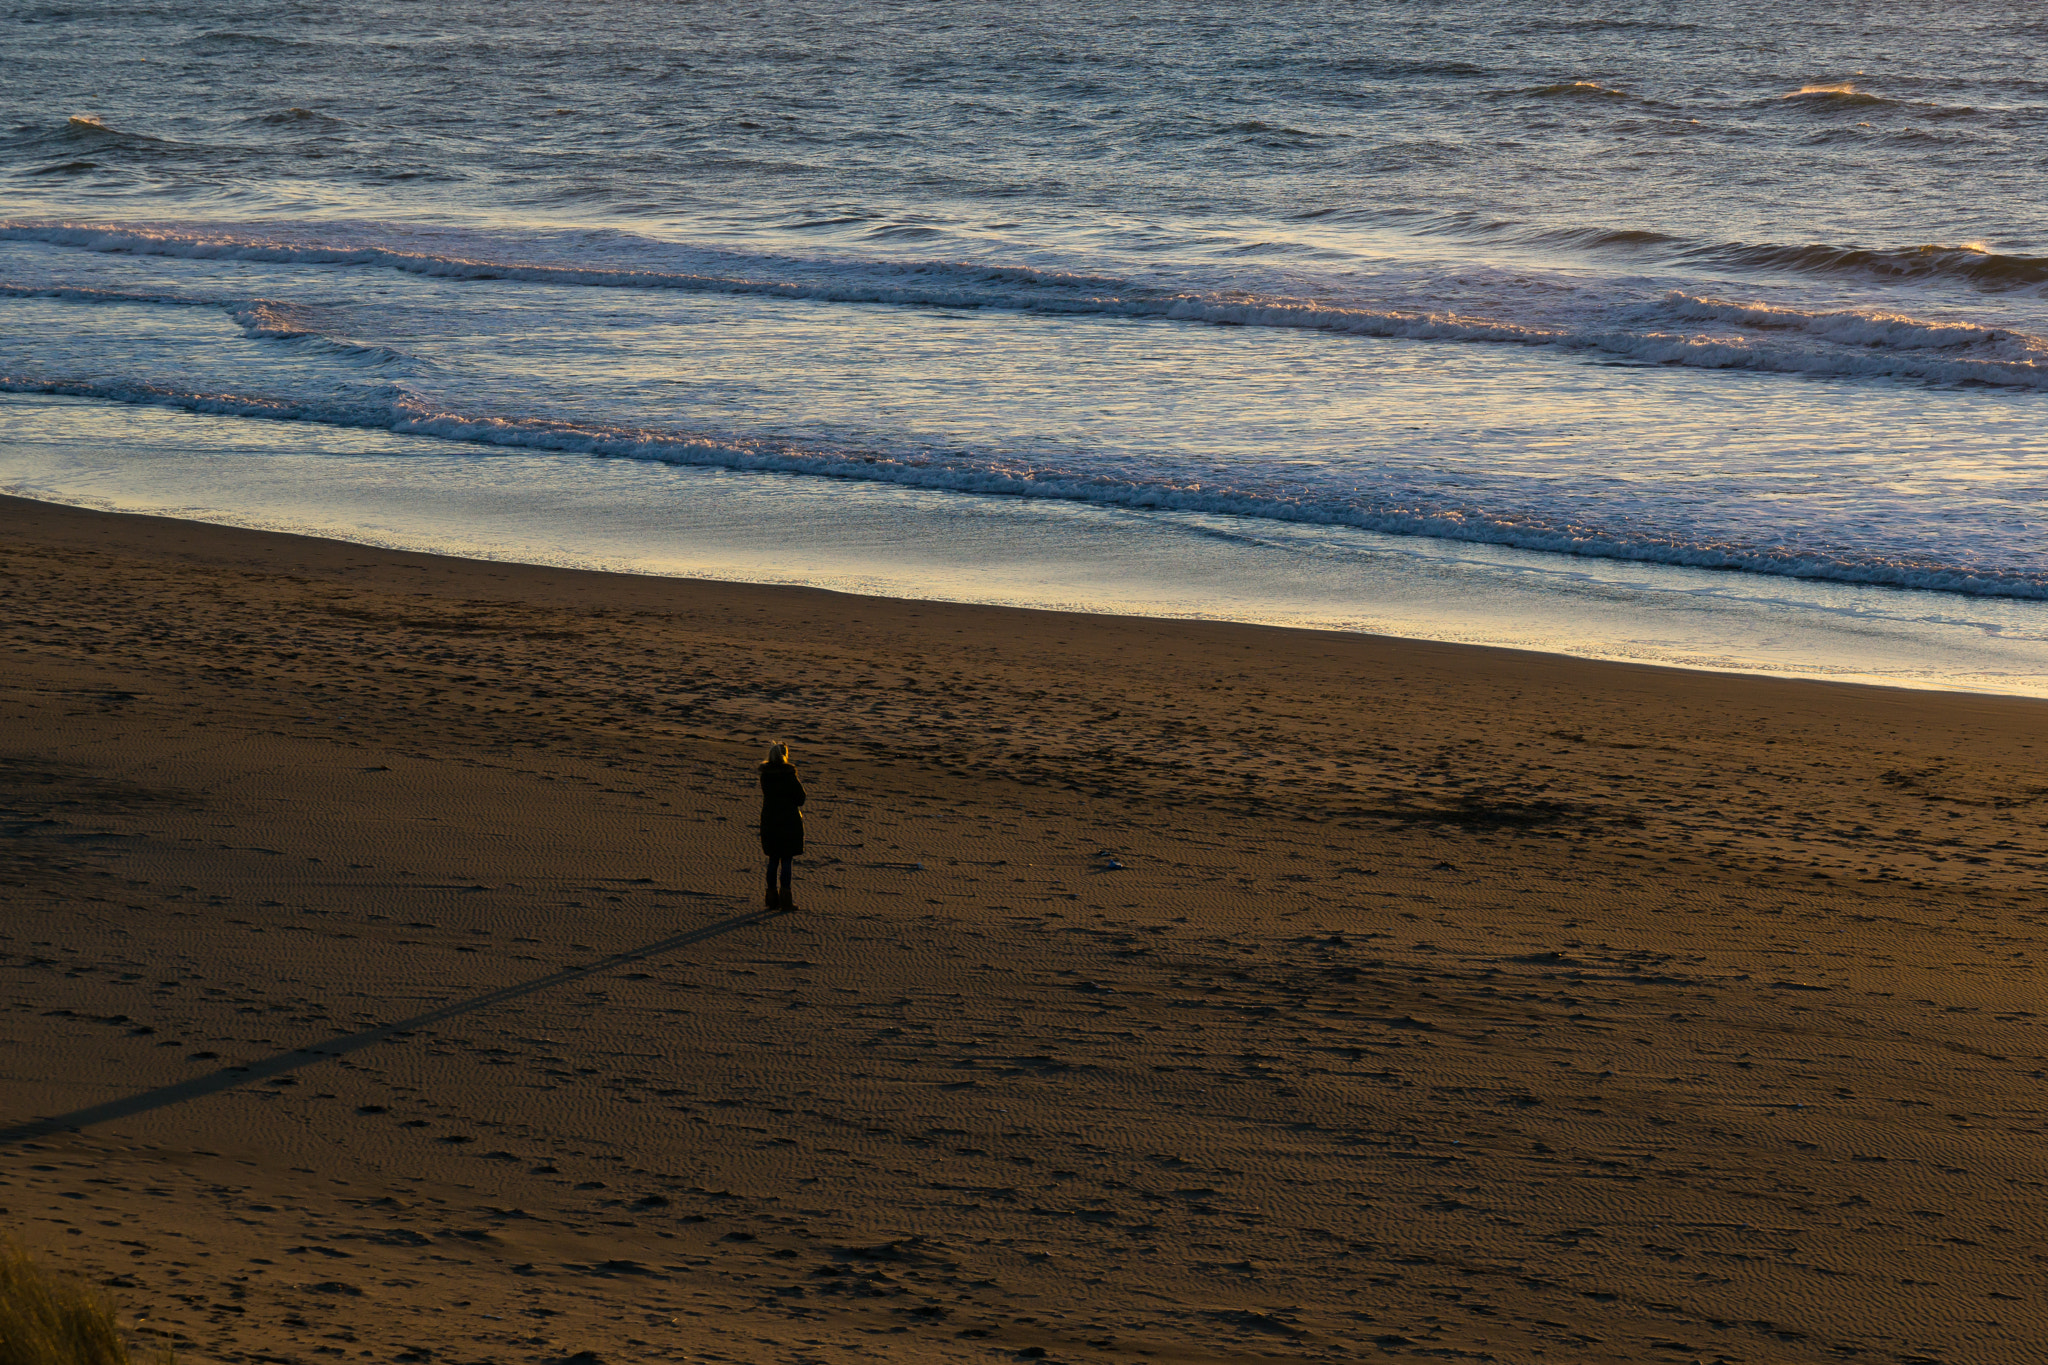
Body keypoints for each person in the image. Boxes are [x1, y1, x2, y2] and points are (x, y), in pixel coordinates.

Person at [758, 741, 806, 909]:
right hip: (788, 821)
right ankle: (786, 898)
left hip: (770, 820)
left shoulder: (765, 775)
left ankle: (771, 897)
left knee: (773, 860)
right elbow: (801, 798)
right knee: (786, 860)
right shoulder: (789, 774)